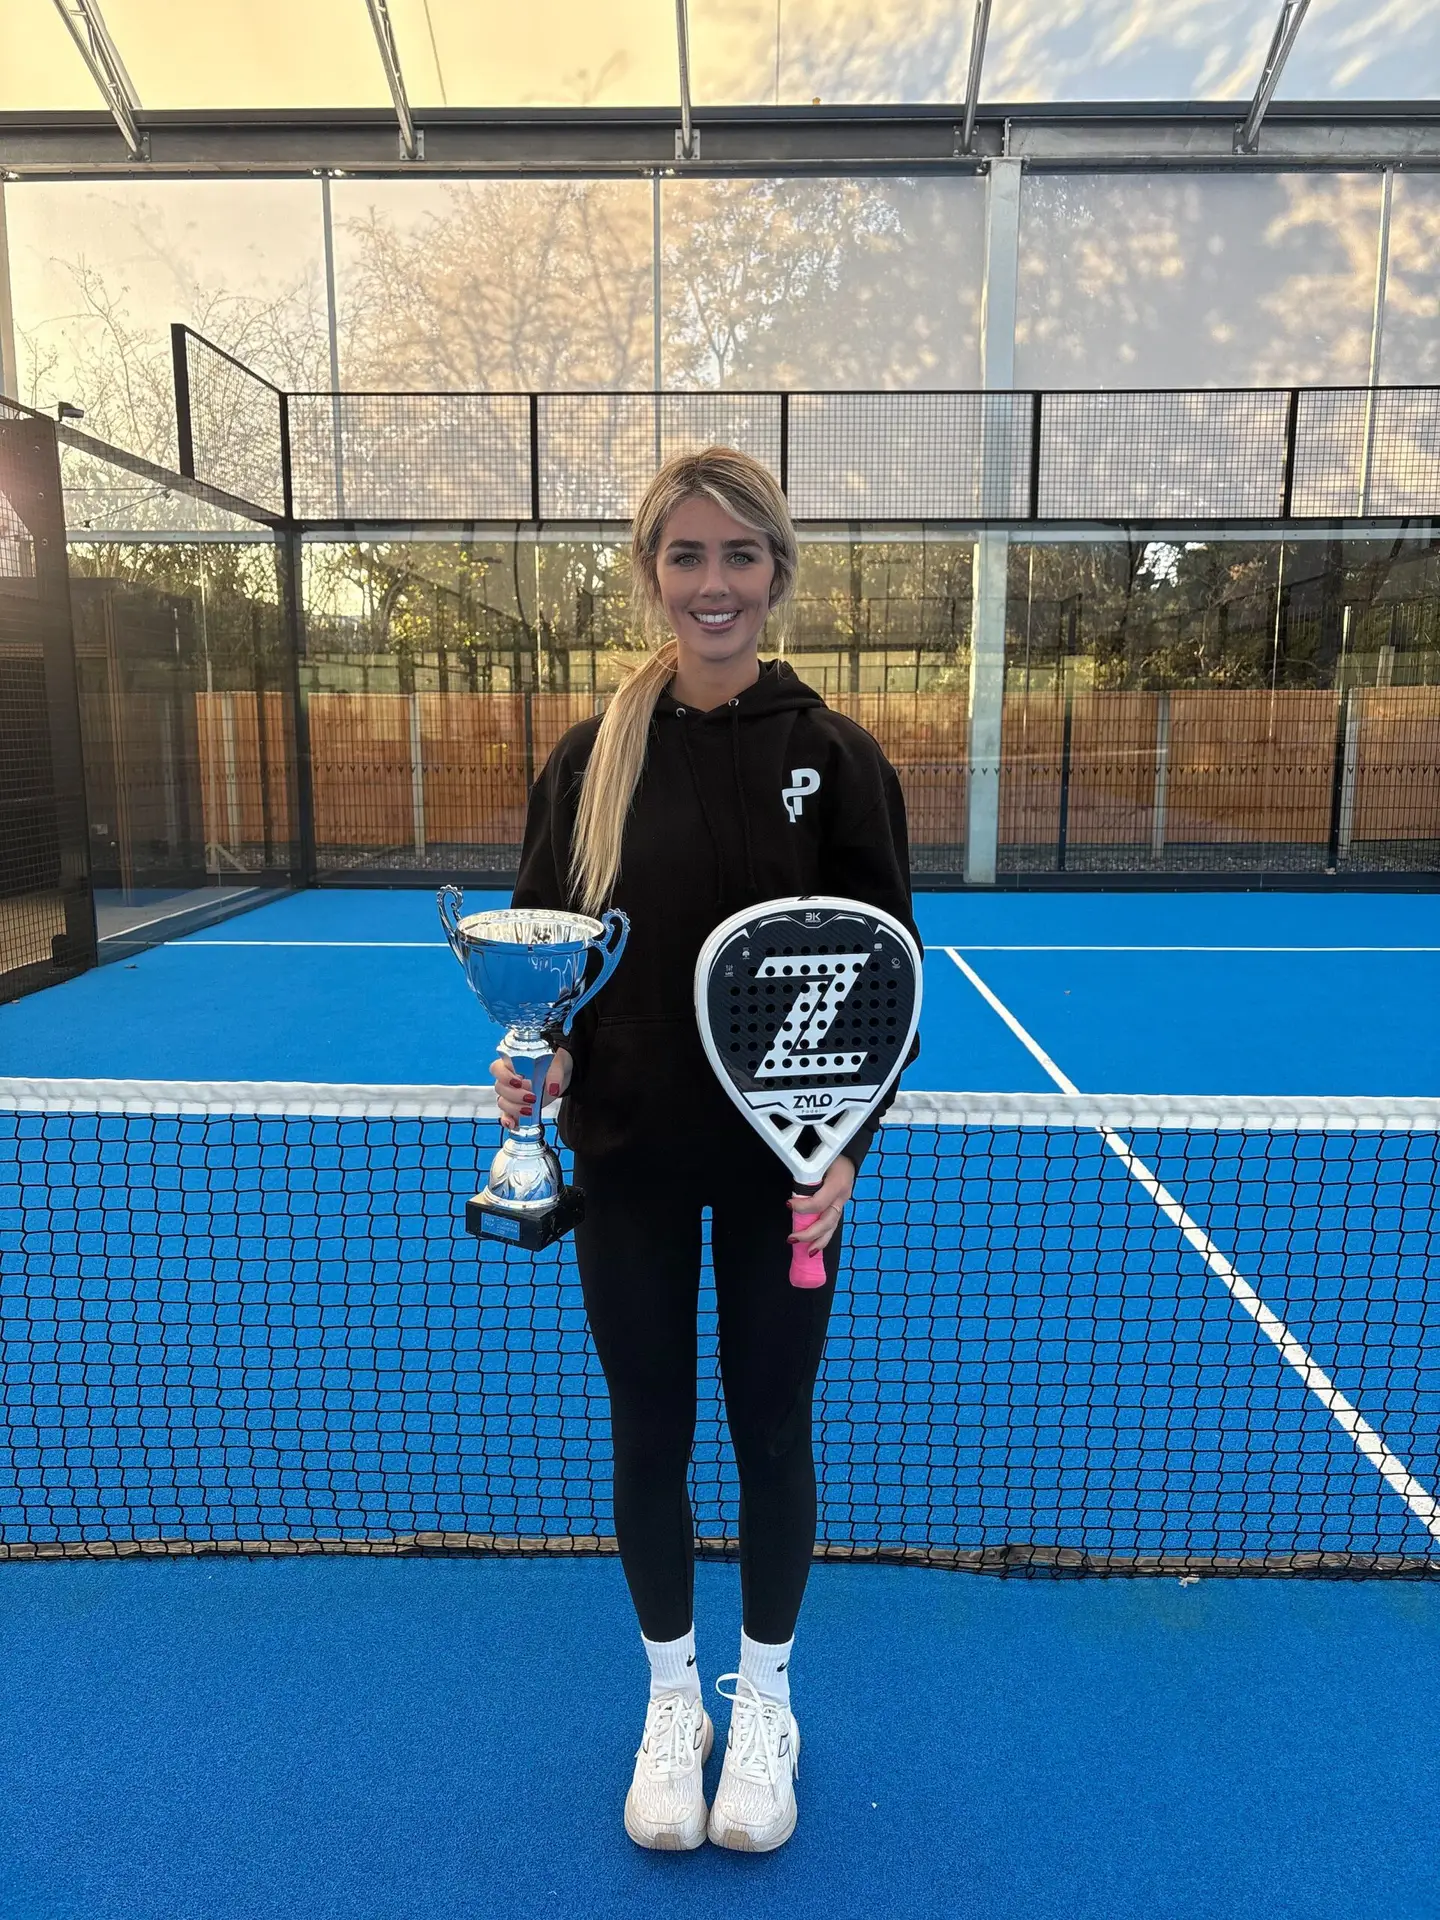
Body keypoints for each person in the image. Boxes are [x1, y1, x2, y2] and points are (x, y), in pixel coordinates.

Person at [494, 446, 918, 1853]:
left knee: (771, 1428)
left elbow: (887, 973)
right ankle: (674, 1701)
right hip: (625, 1157)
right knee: (650, 1432)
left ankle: (770, 1703)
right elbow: (546, 959)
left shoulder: (838, 758)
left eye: (741, 556)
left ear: (778, 574)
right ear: (650, 573)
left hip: (785, 1177)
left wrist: (848, 1140)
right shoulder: (589, 759)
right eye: (687, 555)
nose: (715, 583)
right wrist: (536, 1056)